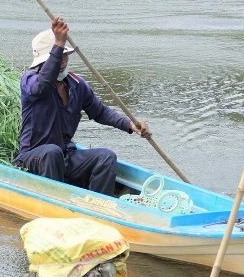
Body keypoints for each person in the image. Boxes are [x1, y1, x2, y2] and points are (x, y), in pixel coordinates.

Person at [13, 16, 152, 196]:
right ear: (43, 62)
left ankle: (98, 205)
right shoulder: (30, 81)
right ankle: (56, 201)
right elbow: (42, 85)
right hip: (33, 158)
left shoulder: (77, 84)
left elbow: (101, 112)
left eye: (64, 55)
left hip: (65, 155)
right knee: (52, 152)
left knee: (105, 157)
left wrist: (130, 124)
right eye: (58, 56)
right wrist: (59, 43)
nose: (63, 60)